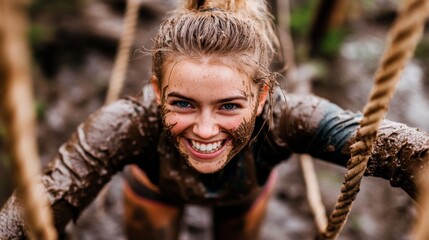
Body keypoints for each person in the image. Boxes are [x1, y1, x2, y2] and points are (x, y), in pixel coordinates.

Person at [1, 0, 429, 239]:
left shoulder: (288, 118)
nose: (205, 130)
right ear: (156, 92)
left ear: (262, 97)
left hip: (241, 195)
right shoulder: (125, 125)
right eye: (183, 104)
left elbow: (401, 151)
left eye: (228, 106)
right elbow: (39, 204)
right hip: (156, 192)